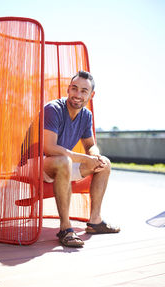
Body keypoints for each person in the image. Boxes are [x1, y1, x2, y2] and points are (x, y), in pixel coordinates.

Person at [43, 70, 120, 247]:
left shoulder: (86, 115)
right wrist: (85, 159)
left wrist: (95, 156)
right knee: (64, 161)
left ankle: (95, 221)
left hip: (63, 166)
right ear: (68, 89)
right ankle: (65, 228)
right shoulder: (53, 108)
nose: (78, 94)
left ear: (91, 95)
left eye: (84, 91)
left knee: (105, 164)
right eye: (74, 88)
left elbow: (91, 145)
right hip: (36, 164)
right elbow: (49, 148)